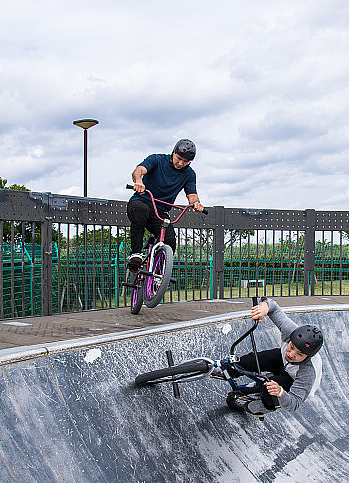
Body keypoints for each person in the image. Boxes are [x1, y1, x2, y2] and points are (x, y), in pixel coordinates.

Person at [219, 297, 324, 418]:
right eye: (291, 346)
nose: (291, 354)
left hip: (293, 378)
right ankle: (228, 370)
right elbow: (273, 308)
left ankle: (264, 406)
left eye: (299, 354)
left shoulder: (308, 373)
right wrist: (263, 308)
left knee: (270, 393)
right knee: (253, 360)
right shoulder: (290, 331)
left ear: (308, 357)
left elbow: (294, 404)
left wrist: (281, 393)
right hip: (282, 360)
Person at [127, 139, 204, 272]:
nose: (180, 163)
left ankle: (159, 275)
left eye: (185, 162)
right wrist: (138, 181)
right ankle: (136, 254)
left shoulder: (189, 174)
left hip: (160, 210)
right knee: (141, 210)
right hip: (141, 201)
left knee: (170, 240)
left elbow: (192, 195)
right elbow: (138, 170)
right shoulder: (157, 160)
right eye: (179, 158)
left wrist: (196, 203)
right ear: (173, 152)